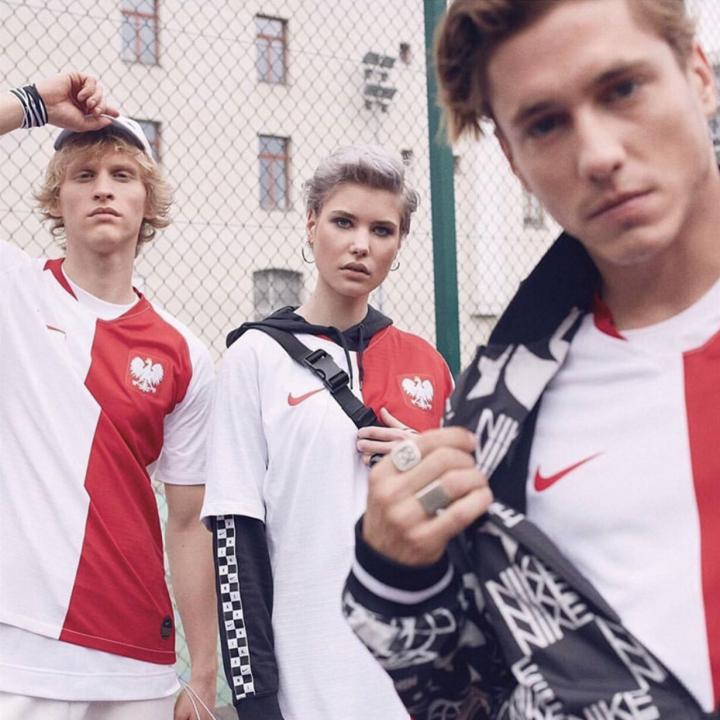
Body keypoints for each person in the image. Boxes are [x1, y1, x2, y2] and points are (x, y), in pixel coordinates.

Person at [342, 0, 720, 718]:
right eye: (545, 123)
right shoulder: (496, 419)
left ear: (698, 75)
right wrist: (395, 568)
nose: (598, 155)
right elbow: (466, 698)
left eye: (622, 88)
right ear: (514, 162)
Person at [200, 145, 454, 720]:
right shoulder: (255, 357)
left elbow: (458, 529)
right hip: (306, 682)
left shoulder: (428, 364)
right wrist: (255, 699)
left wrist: (424, 472)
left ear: (398, 244)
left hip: (419, 683)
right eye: (344, 222)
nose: (361, 244)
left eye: (382, 230)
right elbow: (235, 540)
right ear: (312, 224)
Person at [0, 73, 217, 719]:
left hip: (138, 663)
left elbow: (189, 522)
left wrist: (204, 671)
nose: (102, 188)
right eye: (83, 175)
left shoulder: (184, 351)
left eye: (122, 175)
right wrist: (33, 105)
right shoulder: (14, 291)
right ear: (56, 199)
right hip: (23, 651)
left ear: (148, 202)